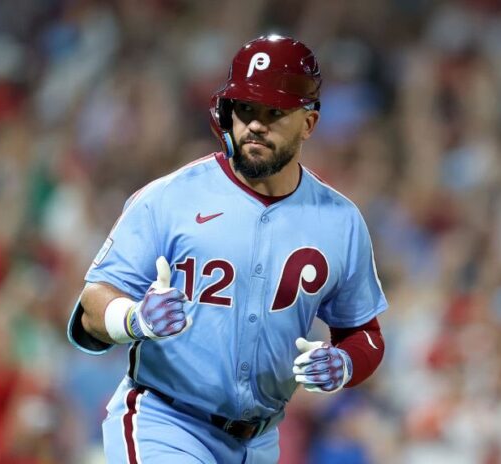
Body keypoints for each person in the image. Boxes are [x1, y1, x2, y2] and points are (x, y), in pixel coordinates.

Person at [67, 34, 388, 464]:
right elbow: (92, 305)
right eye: (246, 108)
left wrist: (345, 363)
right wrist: (133, 318)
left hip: (259, 440)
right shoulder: (170, 197)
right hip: (166, 420)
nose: (255, 124)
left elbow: (364, 333)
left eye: (274, 112)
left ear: (309, 123)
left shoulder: (340, 222)